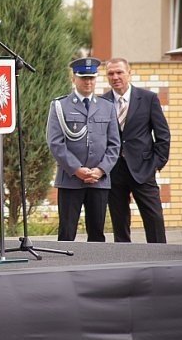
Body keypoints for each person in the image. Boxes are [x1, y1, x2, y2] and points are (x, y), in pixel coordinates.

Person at [46, 57, 120, 242]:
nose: (88, 82)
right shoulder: (60, 106)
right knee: (67, 232)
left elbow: (114, 144)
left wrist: (101, 170)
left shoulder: (107, 106)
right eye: (83, 77)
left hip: (99, 180)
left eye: (92, 78)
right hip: (70, 179)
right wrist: (77, 169)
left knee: (97, 233)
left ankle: (95, 269)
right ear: (74, 78)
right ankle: (64, 269)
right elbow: (55, 142)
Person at [102, 58, 170, 243]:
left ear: (129, 73)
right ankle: (125, 260)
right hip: (114, 171)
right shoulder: (101, 102)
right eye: (111, 73)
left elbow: (162, 134)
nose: (115, 77)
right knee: (119, 221)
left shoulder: (148, 98)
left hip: (143, 168)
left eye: (119, 72)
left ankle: (160, 258)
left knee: (154, 219)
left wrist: (156, 164)